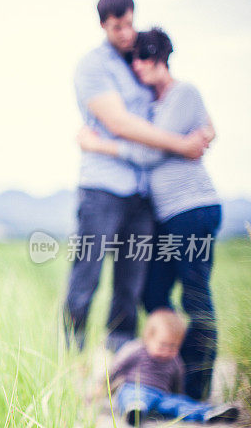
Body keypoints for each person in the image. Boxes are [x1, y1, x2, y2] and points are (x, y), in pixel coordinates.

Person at [64, 0, 213, 353]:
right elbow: (122, 123)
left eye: (130, 22)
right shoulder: (93, 66)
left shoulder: (142, 58)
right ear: (104, 25)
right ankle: (71, 360)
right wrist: (181, 144)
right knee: (87, 278)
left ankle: (121, 363)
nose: (126, 32)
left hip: (144, 195)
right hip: (104, 187)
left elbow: (177, 102)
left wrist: (206, 129)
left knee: (130, 287)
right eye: (117, 26)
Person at [78, 28, 221, 401]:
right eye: (134, 59)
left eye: (144, 58)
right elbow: (180, 136)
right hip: (167, 214)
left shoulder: (182, 94)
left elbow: (148, 153)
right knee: (153, 290)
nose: (137, 66)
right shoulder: (155, 105)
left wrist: (97, 145)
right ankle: (163, 368)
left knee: (195, 295)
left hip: (192, 209)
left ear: (161, 59)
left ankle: (196, 386)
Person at [108, 308, 238, 426]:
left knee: (180, 404)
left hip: (161, 396)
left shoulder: (175, 360)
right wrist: (102, 388)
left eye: (173, 346)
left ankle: (208, 413)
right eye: (163, 345)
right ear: (148, 338)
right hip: (135, 388)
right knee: (133, 396)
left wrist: (178, 396)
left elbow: (178, 381)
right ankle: (134, 412)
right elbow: (116, 368)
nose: (167, 351)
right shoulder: (136, 349)